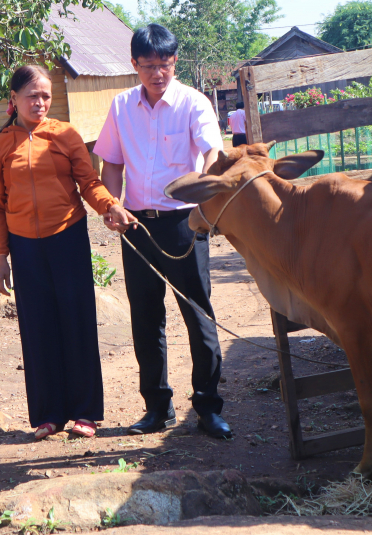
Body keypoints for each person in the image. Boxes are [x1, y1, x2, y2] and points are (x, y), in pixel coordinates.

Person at [94, 24, 233, 439]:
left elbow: (212, 150)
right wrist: (113, 204)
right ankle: (157, 407)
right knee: (146, 317)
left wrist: (205, 192)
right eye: (149, 65)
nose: (158, 74)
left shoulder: (193, 103)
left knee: (198, 313)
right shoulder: (121, 107)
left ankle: (208, 407)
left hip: (184, 223)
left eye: (166, 65)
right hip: (136, 224)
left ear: (175, 62)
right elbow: (112, 163)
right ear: (134, 65)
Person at [0, 65, 134, 441]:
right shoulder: (0, 144)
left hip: (67, 237)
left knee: (77, 321)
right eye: (32, 96)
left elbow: (89, 182)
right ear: (14, 100)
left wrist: (109, 206)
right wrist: (2, 256)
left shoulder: (65, 135)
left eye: (45, 96)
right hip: (24, 247)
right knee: (38, 329)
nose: (39, 103)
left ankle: (86, 412)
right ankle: (48, 414)